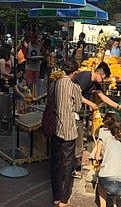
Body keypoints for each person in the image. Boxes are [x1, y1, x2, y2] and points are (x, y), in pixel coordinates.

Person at [72, 62, 121, 175]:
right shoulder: (84, 77)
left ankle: (76, 164)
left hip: (79, 111)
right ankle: (74, 166)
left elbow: (103, 97)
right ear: (98, 73)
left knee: (79, 135)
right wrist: (91, 104)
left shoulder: (96, 83)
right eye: (103, 78)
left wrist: (117, 106)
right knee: (75, 137)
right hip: (71, 108)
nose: (103, 80)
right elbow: (76, 94)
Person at [48, 63, 85, 207]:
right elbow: (77, 107)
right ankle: (64, 199)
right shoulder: (74, 87)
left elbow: (50, 102)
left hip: (55, 128)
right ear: (74, 73)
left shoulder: (54, 85)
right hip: (69, 129)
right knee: (67, 163)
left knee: (55, 163)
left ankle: (56, 196)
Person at [91, 112, 121, 207]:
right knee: (114, 173)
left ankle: (103, 205)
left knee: (101, 184)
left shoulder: (103, 132)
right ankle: (114, 203)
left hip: (108, 180)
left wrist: (99, 160)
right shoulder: (118, 137)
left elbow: (96, 156)